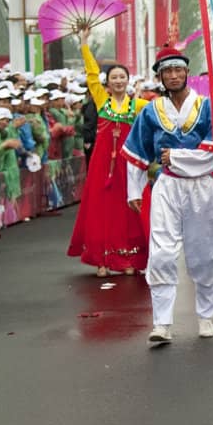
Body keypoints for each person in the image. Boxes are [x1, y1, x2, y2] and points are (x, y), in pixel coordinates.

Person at [123, 46, 213, 344]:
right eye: (166, 71)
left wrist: (177, 157)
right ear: (160, 77)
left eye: (177, 70)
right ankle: (162, 322)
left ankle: (206, 316)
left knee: (205, 251)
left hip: (201, 187)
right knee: (161, 252)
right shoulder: (150, 111)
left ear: (186, 73)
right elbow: (137, 152)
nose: (172, 75)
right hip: (167, 186)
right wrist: (135, 188)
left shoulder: (209, 108)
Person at [67, 40, 149, 277]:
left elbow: (162, 114)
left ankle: (129, 257)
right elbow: (92, 74)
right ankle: (102, 259)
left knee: (129, 209)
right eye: (114, 77)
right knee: (101, 210)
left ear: (128, 80)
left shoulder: (138, 105)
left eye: (122, 77)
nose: (118, 81)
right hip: (102, 167)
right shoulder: (102, 101)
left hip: (128, 166)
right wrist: (83, 44)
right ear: (108, 82)